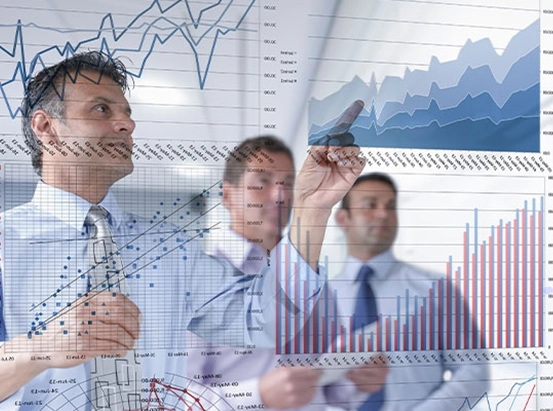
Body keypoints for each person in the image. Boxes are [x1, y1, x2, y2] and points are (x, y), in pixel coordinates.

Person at [0, 51, 364, 409]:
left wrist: (312, 209)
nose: (127, 124)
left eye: (127, 113)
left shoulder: (169, 247)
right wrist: (38, 348)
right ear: (46, 128)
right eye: (101, 109)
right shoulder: (5, 244)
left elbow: (263, 320)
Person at [186, 136, 388, 410]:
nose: (280, 196)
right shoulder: (195, 282)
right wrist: (257, 396)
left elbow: (327, 393)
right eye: (262, 182)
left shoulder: (314, 278)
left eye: (288, 184)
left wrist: (356, 382)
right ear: (228, 195)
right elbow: (175, 397)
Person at [330, 173, 488, 411]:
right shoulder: (318, 297)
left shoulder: (434, 289)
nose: (383, 214)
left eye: (390, 207)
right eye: (370, 205)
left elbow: (474, 371)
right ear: (344, 218)